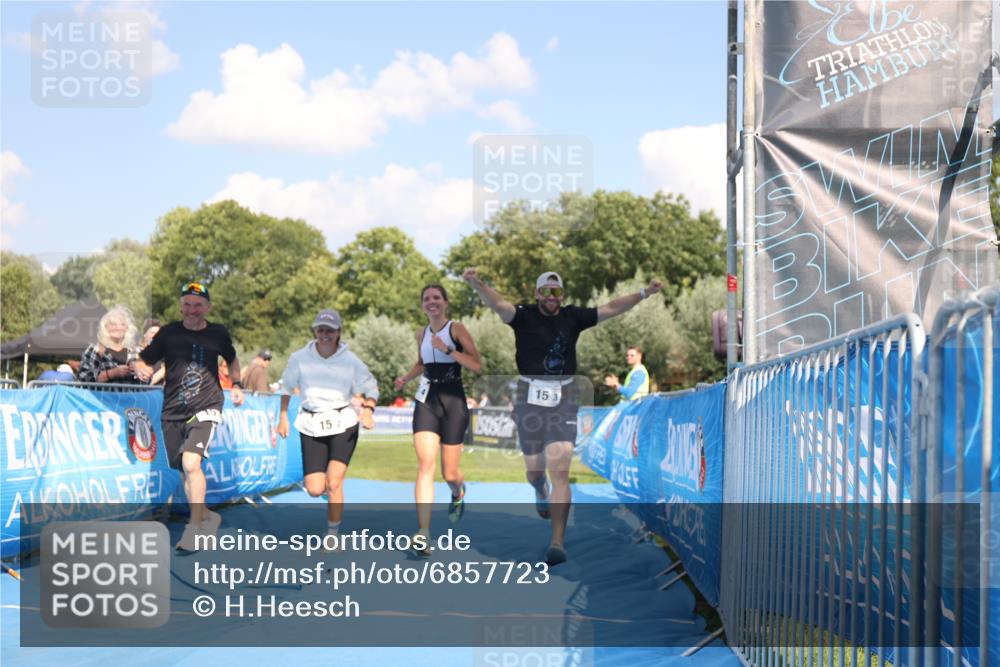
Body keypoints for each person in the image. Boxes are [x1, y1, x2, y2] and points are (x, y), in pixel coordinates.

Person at [464, 268, 662, 565]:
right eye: (546, 291)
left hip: (563, 400)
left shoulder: (573, 317)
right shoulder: (523, 316)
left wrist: (644, 293)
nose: (552, 297)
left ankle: (557, 541)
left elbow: (611, 308)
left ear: (563, 295)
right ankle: (539, 489)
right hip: (528, 399)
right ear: (537, 293)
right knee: (534, 472)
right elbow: (498, 305)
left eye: (557, 292)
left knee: (560, 470)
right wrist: (477, 284)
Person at [134, 281, 245, 550]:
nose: (192, 310)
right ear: (180, 305)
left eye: (198, 305)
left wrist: (238, 385)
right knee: (185, 472)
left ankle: (194, 529)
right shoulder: (169, 333)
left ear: (208, 307)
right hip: (173, 411)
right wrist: (139, 367)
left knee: (192, 464)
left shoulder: (218, 333)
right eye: (187, 304)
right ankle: (207, 516)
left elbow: (231, 359)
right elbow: (144, 359)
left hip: (207, 406)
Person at [276, 309, 378, 545]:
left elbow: (371, 386)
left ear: (338, 332)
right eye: (320, 329)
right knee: (314, 488)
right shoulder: (299, 358)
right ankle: (331, 494)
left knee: (334, 482)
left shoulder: (351, 360)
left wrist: (369, 411)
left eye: (330, 330)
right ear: (315, 332)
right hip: (311, 425)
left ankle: (332, 534)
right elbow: (286, 387)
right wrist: (282, 417)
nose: (325, 334)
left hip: (343, 423)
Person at [395, 284, 481, 554]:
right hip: (427, 401)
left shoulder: (456, 329)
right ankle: (423, 532)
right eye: (426, 299)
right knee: (425, 465)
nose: (431, 302)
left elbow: (476, 364)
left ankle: (458, 492)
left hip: (454, 402)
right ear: (422, 305)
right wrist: (406, 378)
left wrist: (447, 349)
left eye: (436, 298)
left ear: (445, 302)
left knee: (449, 473)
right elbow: (422, 362)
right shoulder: (421, 333)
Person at [78, 305, 142, 384]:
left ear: (127, 328)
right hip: (103, 395)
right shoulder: (95, 349)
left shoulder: (136, 351)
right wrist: (112, 373)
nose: (118, 328)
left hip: (132, 395)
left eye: (122, 324)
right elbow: (84, 377)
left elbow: (148, 381)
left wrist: (139, 371)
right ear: (105, 327)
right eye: (113, 324)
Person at [138, 319, 165, 385]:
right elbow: (145, 382)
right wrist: (164, 371)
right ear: (145, 335)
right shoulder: (137, 353)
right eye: (152, 333)